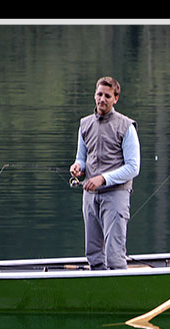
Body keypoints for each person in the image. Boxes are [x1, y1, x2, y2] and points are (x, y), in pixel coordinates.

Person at [69, 76, 140, 270]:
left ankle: (119, 290)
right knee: (93, 253)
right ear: (94, 95)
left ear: (115, 98)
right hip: (90, 196)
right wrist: (78, 168)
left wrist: (103, 179)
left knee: (114, 254)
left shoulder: (126, 126)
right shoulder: (85, 124)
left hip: (116, 195)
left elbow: (133, 168)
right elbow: (81, 158)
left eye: (107, 96)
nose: (102, 99)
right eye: (99, 94)